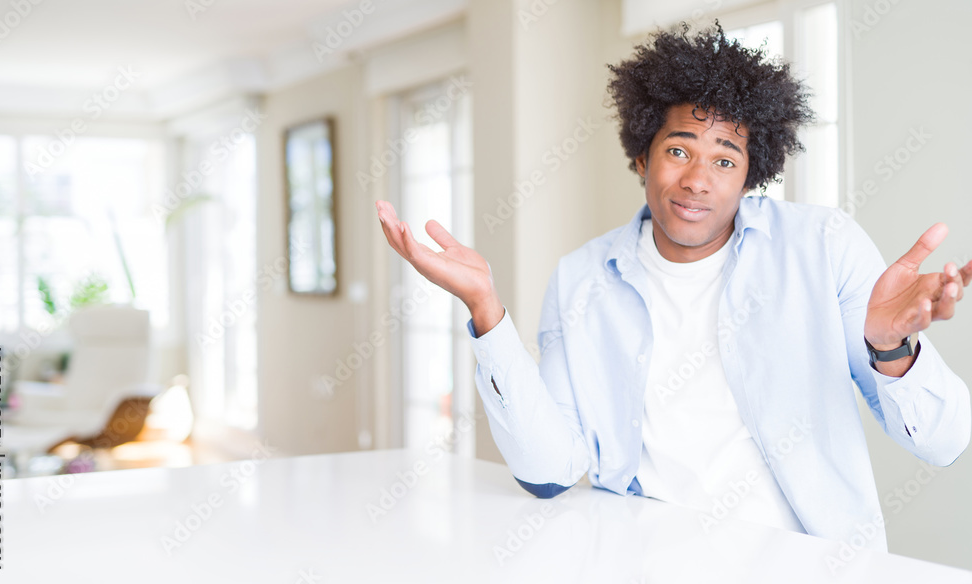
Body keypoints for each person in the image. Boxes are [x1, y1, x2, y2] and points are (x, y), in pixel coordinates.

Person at [374, 23, 971, 552]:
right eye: (679, 149)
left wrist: (890, 348)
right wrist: (486, 310)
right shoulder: (581, 278)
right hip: (643, 557)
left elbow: (945, 444)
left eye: (724, 160)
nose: (696, 181)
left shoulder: (823, 247)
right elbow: (549, 472)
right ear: (642, 156)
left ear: (751, 175)